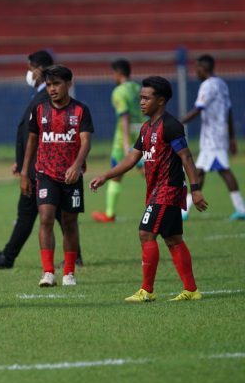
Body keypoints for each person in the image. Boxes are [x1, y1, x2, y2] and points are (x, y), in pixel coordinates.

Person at [90, 76, 208, 302]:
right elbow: (132, 158)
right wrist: (106, 175)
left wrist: (196, 189)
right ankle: (191, 290)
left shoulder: (171, 126)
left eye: (146, 98)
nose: (141, 102)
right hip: (156, 191)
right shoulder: (145, 128)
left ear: (161, 101)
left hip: (167, 190)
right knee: (173, 239)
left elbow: (187, 158)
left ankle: (147, 291)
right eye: (140, 98)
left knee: (146, 233)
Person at [0, 51, 83, 269]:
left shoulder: (48, 96)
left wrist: (28, 168)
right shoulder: (42, 95)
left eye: (30, 68)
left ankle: (8, 257)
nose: (28, 73)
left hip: (43, 167)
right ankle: (75, 255)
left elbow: (41, 136)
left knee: (31, 212)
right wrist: (21, 162)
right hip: (37, 165)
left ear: (38, 69)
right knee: (53, 213)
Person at [20, 65, 93, 287]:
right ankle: (48, 272)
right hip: (45, 173)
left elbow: (86, 141)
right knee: (45, 217)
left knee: (70, 222)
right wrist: (25, 172)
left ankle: (69, 272)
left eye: (57, 84)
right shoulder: (40, 110)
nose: (52, 89)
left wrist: (77, 165)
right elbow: (32, 141)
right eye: (49, 85)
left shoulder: (81, 110)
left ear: (68, 84)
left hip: (71, 175)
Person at [180, 54, 245, 221]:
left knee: (221, 170)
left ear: (204, 68)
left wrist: (178, 123)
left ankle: (241, 208)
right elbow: (229, 111)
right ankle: (184, 211)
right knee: (200, 172)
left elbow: (197, 109)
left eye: (197, 69)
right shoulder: (221, 84)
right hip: (219, 135)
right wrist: (231, 137)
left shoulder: (207, 85)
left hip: (212, 138)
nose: (196, 72)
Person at [92, 59, 145, 223]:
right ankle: (173, 205)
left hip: (125, 136)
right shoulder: (137, 88)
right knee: (147, 170)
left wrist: (126, 143)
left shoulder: (119, 92)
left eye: (113, 73)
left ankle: (109, 213)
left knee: (116, 173)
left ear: (118, 73)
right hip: (142, 131)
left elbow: (124, 116)